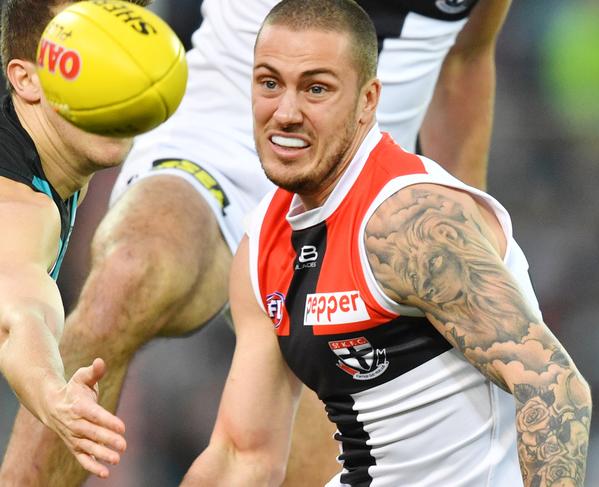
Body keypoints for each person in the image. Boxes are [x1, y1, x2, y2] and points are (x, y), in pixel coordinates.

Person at [0, 0, 512, 485]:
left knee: (313, 469)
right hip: (217, 137)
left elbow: (466, 59)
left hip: (356, 187)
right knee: (127, 274)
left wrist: (468, 229)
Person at [180, 0, 592, 486]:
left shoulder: (409, 222)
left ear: (368, 101)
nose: (286, 112)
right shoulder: (263, 244)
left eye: (316, 89)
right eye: (270, 83)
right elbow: (240, 456)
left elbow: (554, 390)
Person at [0, 0, 156, 480]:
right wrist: (51, 392)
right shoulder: (23, 203)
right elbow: (20, 310)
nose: (115, 88)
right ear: (25, 80)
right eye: (85, 64)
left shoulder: (53, 142)